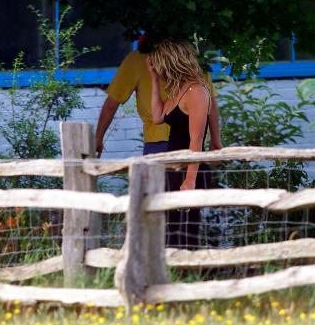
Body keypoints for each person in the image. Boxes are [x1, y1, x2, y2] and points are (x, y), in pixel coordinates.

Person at [94, 37, 222, 157]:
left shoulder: (138, 59)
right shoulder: (193, 59)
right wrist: (216, 138)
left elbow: (111, 104)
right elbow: (211, 104)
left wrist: (98, 138)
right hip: (191, 140)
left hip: (158, 143)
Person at [147, 39, 212, 248]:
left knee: (185, 231)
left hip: (189, 169)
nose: (158, 70)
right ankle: (171, 272)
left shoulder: (196, 91)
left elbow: (197, 138)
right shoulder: (177, 90)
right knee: (168, 227)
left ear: (170, 63)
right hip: (172, 167)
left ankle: (187, 273)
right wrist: (154, 81)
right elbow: (157, 116)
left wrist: (190, 178)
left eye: (159, 66)